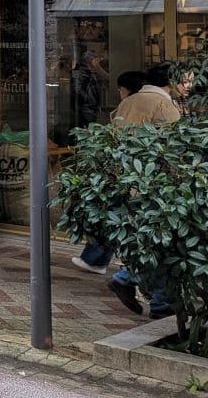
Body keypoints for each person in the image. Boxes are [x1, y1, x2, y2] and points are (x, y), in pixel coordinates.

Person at [107, 64, 182, 319]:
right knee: (161, 242)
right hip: (154, 185)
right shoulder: (163, 105)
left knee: (151, 240)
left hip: (127, 181)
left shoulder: (129, 102)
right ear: (171, 83)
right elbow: (176, 147)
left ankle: (156, 299)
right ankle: (130, 280)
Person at [71, 70, 147, 275]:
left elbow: (119, 135)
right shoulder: (160, 101)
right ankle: (98, 260)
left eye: (120, 89)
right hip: (140, 173)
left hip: (132, 172)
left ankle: (104, 263)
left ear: (126, 89)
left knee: (116, 214)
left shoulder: (132, 104)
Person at [71, 50, 106, 129]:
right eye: (96, 59)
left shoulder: (89, 72)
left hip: (90, 107)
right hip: (87, 107)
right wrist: (87, 100)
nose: (98, 62)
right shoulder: (82, 72)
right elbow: (77, 90)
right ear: (90, 60)